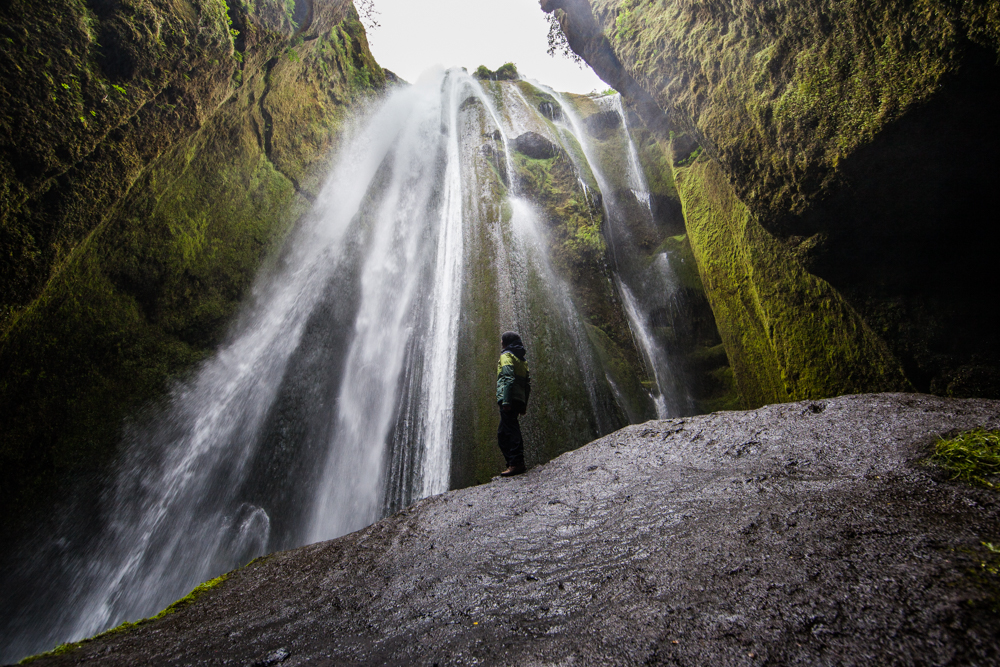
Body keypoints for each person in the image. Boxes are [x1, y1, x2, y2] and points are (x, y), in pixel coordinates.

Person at [496, 331, 531, 476]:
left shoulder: (507, 356)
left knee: (511, 430)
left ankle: (516, 463)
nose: (501, 343)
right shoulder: (522, 360)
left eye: (502, 340)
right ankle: (512, 462)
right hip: (518, 399)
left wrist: (506, 401)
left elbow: (508, 378)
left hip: (509, 399)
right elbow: (527, 384)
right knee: (502, 433)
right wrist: (524, 404)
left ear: (506, 342)